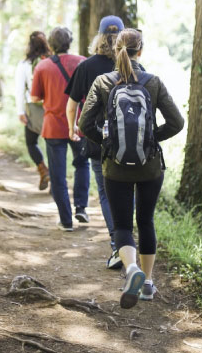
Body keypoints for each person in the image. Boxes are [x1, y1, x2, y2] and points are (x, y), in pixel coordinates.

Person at [79, 28, 184, 308]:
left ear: (115, 50)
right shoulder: (154, 82)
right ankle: (148, 283)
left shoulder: (103, 82)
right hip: (150, 167)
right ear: (141, 51)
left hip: (115, 167)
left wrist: (108, 144)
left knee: (123, 224)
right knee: (146, 221)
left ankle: (131, 270)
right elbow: (177, 123)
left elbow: (84, 125)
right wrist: (150, 140)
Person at [65, 15, 124, 269]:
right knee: (127, 191)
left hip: (97, 139)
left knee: (105, 193)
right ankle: (129, 243)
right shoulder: (131, 65)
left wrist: (72, 129)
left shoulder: (86, 66)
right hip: (129, 140)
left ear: (98, 37)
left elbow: (72, 104)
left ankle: (118, 246)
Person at [30, 26, 90, 231]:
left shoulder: (43, 67)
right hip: (79, 124)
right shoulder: (82, 62)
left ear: (51, 45)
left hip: (54, 126)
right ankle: (81, 207)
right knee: (82, 164)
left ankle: (66, 220)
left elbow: (35, 97)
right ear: (70, 42)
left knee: (57, 175)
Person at [15, 31, 51, 190]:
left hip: (33, 109)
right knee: (53, 145)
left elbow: (19, 90)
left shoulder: (24, 65)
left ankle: (43, 169)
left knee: (31, 142)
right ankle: (55, 179)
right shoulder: (52, 61)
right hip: (52, 109)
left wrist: (20, 111)